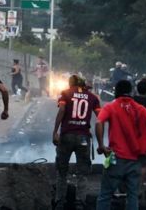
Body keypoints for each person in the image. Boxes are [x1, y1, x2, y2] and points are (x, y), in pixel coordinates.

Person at [95, 80, 146, 210]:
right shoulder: (139, 108)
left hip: (116, 159)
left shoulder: (110, 107)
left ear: (116, 92)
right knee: (133, 196)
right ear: (131, 91)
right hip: (135, 161)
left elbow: (98, 122)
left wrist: (101, 145)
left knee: (105, 195)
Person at [52, 75, 101, 210]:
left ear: (70, 84)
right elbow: (101, 116)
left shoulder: (65, 94)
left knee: (62, 171)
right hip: (83, 138)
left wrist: (55, 131)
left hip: (66, 136)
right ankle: (80, 202)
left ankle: (59, 202)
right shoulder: (92, 97)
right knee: (82, 172)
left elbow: (62, 110)